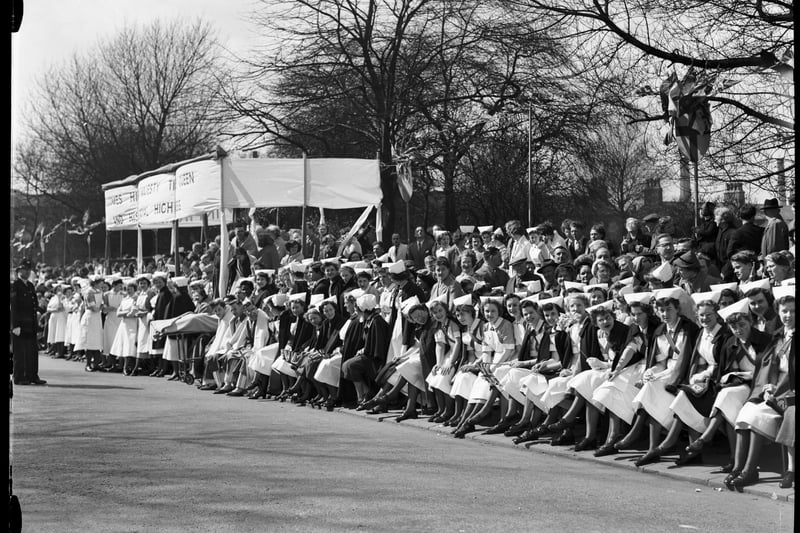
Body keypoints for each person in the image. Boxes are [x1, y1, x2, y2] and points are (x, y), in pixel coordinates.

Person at [727, 294, 794, 489]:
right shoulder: (779, 336)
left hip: (790, 391)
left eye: (793, 311)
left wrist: (776, 389)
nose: (788, 315)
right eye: (784, 311)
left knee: (756, 417)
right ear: (779, 313)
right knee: (746, 412)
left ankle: (750, 470)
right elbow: (769, 365)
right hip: (776, 387)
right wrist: (766, 387)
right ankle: (739, 467)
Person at [11, 259, 46, 385]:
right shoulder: (15, 285)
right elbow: (14, 307)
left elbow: (34, 305)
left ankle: (32, 376)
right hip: (20, 324)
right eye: (23, 269)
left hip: (30, 324)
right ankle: (19, 377)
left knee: (32, 352)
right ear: (19, 271)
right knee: (20, 352)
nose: (26, 272)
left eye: (28, 270)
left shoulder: (30, 286)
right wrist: (15, 325)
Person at [111, 280, 141, 376]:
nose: (129, 291)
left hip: (133, 324)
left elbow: (133, 312)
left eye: (131, 289)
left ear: (134, 289)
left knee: (131, 344)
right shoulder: (124, 299)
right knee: (124, 344)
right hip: (124, 325)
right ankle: (124, 366)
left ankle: (129, 366)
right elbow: (118, 313)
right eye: (127, 289)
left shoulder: (136, 298)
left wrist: (126, 313)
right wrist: (126, 313)